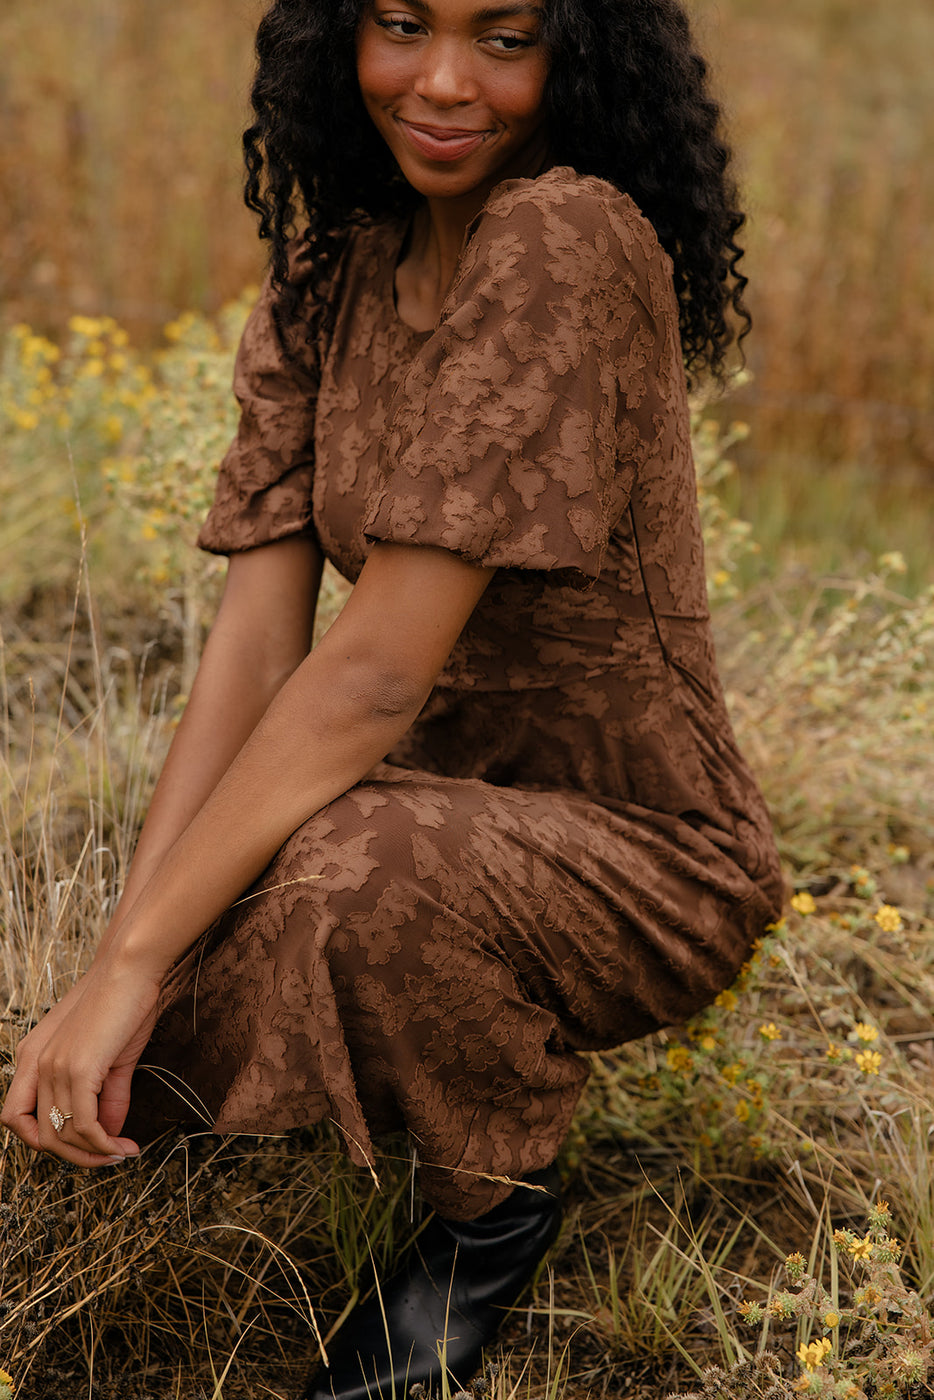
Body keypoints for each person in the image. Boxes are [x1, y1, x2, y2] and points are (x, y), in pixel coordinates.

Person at [2, 0, 784, 1395]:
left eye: (503, 37)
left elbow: (365, 677)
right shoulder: (329, 273)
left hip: (637, 854)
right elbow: (253, 652)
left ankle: (490, 1216)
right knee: (115, 1035)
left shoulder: (566, 238)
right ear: (331, 40)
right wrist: (123, 966)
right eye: (403, 25)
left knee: (348, 871)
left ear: (580, 59)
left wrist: (132, 972)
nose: (440, 83)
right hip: (394, 811)